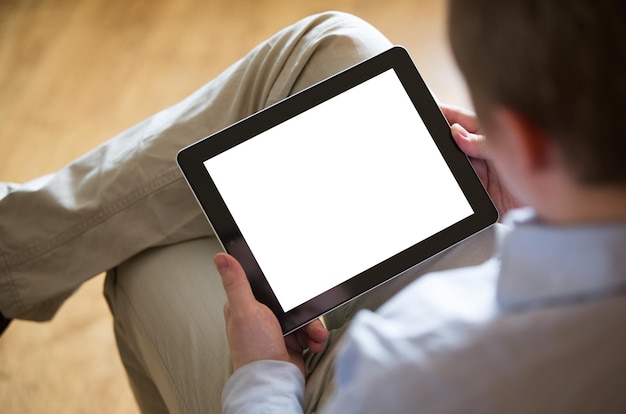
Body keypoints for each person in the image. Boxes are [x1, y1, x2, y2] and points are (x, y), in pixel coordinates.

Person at [1, 0, 625, 412]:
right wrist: (536, 205)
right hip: (562, 253)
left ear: (528, 141)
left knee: (148, 265)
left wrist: (263, 374)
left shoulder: (415, 365)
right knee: (333, 46)